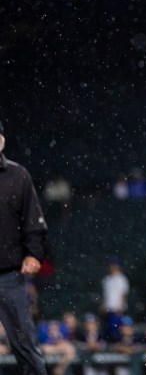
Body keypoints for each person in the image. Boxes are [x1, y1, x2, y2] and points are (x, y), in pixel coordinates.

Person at [0, 119, 49, 375]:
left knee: (25, 344)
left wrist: (33, 253)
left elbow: (33, 220)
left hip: (8, 274)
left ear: (2, 140)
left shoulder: (17, 175)